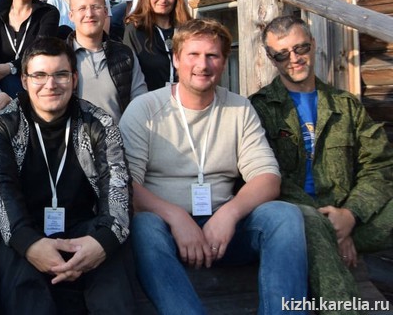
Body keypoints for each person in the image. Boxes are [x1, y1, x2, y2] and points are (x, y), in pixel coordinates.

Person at [119, 18, 308, 315]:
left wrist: (229, 214)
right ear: (176, 59)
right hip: (166, 230)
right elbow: (126, 186)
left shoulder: (239, 108)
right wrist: (176, 217)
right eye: (193, 54)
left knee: (284, 216)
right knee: (143, 227)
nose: (202, 65)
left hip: (224, 229)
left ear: (223, 61)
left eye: (212, 55)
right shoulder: (145, 109)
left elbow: (268, 177)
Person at [250, 15, 393, 307]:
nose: (294, 59)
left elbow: (378, 166)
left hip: (350, 214)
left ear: (313, 45)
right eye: (282, 54)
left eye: (300, 48)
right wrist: (329, 223)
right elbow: (264, 177)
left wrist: (349, 216)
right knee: (308, 223)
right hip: (295, 217)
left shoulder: (346, 105)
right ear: (271, 59)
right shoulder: (259, 109)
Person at [0, 37, 133, 314]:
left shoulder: (99, 123)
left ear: (74, 79)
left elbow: (117, 190)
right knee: (11, 253)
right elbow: (1, 194)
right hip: (25, 231)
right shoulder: (2, 126)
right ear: (24, 81)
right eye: (39, 75)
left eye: (60, 75)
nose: (50, 84)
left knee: (113, 254)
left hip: (83, 232)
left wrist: (101, 243)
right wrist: (30, 244)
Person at [67, 0, 146, 121]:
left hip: (122, 133)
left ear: (105, 12)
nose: (89, 14)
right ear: (71, 16)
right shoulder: (58, 57)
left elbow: (140, 103)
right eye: (82, 8)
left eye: (95, 7)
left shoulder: (125, 55)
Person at [122, 0, 192, 91]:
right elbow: (128, 75)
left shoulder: (188, 30)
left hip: (184, 99)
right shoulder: (135, 30)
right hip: (149, 100)